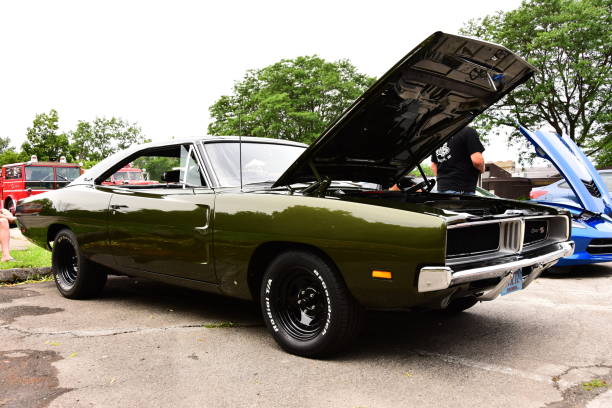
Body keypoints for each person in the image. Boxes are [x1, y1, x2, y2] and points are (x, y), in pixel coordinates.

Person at [431, 126, 485, 195]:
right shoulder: (468, 131)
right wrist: (482, 169)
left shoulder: (438, 137)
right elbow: (477, 161)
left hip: (441, 190)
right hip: (462, 190)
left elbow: (433, 166)